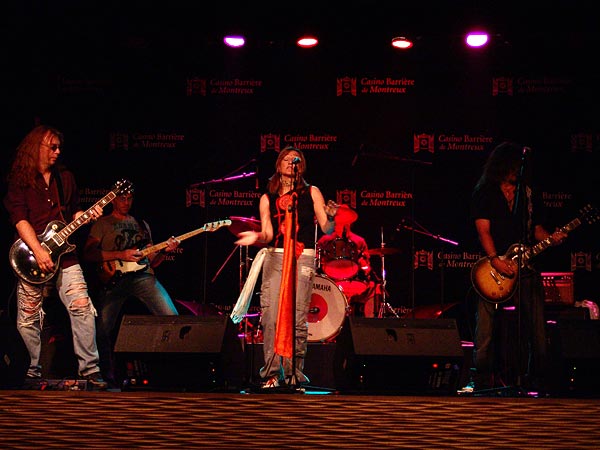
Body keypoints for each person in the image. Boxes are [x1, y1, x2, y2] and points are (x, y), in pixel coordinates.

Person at [3, 124, 107, 389]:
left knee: (82, 305)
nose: (57, 152)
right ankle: (31, 372)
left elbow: (71, 213)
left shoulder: (65, 177)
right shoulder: (20, 179)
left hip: (65, 254)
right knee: (29, 316)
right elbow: (19, 218)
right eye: (52, 147)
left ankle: (91, 371)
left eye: (59, 147)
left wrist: (85, 216)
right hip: (31, 253)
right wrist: (38, 251)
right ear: (37, 147)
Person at [234, 146, 338, 389]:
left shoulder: (312, 192)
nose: (291, 162)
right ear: (279, 165)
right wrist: (256, 237)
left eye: (296, 160)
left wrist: (331, 216)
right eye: (286, 159)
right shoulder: (267, 198)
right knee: (271, 316)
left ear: (301, 166)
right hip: (276, 257)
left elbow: (327, 228)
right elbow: (268, 234)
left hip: (302, 257)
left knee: (297, 318)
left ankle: (293, 375)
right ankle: (271, 373)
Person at [468, 141, 567, 394]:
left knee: (537, 326)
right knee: (485, 327)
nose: (517, 171)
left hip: (526, 268)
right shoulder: (486, 191)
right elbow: (483, 230)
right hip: (493, 267)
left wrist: (552, 238)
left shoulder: (530, 194)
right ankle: (481, 376)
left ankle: (538, 378)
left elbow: (536, 230)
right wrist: (495, 259)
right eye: (514, 166)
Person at [82, 186, 180, 387]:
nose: (126, 203)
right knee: (102, 329)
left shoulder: (141, 224)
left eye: (129, 198)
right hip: (114, 280)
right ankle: (105, 377)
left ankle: (175, 374)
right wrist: (121, 254)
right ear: (113, 200)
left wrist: (164, 251)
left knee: (172, 318)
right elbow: (89, 254)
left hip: (143, 277)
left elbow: (152, 261)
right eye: (122, 198)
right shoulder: (102, 223)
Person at [316, 204, 382, 318]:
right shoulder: (324, 240)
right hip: (331, 281)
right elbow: (317, 261)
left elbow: (367, 266)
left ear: (350, 221)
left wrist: (364, 265)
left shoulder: (359, 241)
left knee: (374, 287)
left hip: (353, 281)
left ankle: (368, 323)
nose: (342, 222)